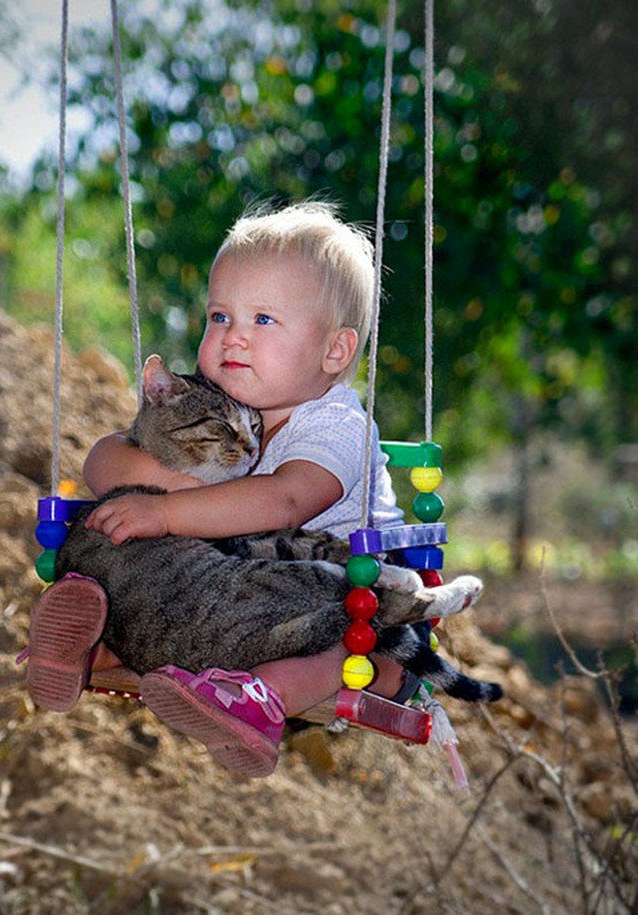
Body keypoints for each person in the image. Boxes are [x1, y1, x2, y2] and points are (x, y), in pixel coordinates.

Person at [27, 201, 421, 777]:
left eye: (263, 320)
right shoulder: (223, 405)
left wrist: (168, 513)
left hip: (358, 596)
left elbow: (285, 501)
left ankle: (256, 703)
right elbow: (105, 458)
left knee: (336, 637)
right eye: (219, 316)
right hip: (241, 597)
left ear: (334, 351)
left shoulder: (337, 424)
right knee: (138, 559)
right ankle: (91, 644)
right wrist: (169, 484)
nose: (233, 337)